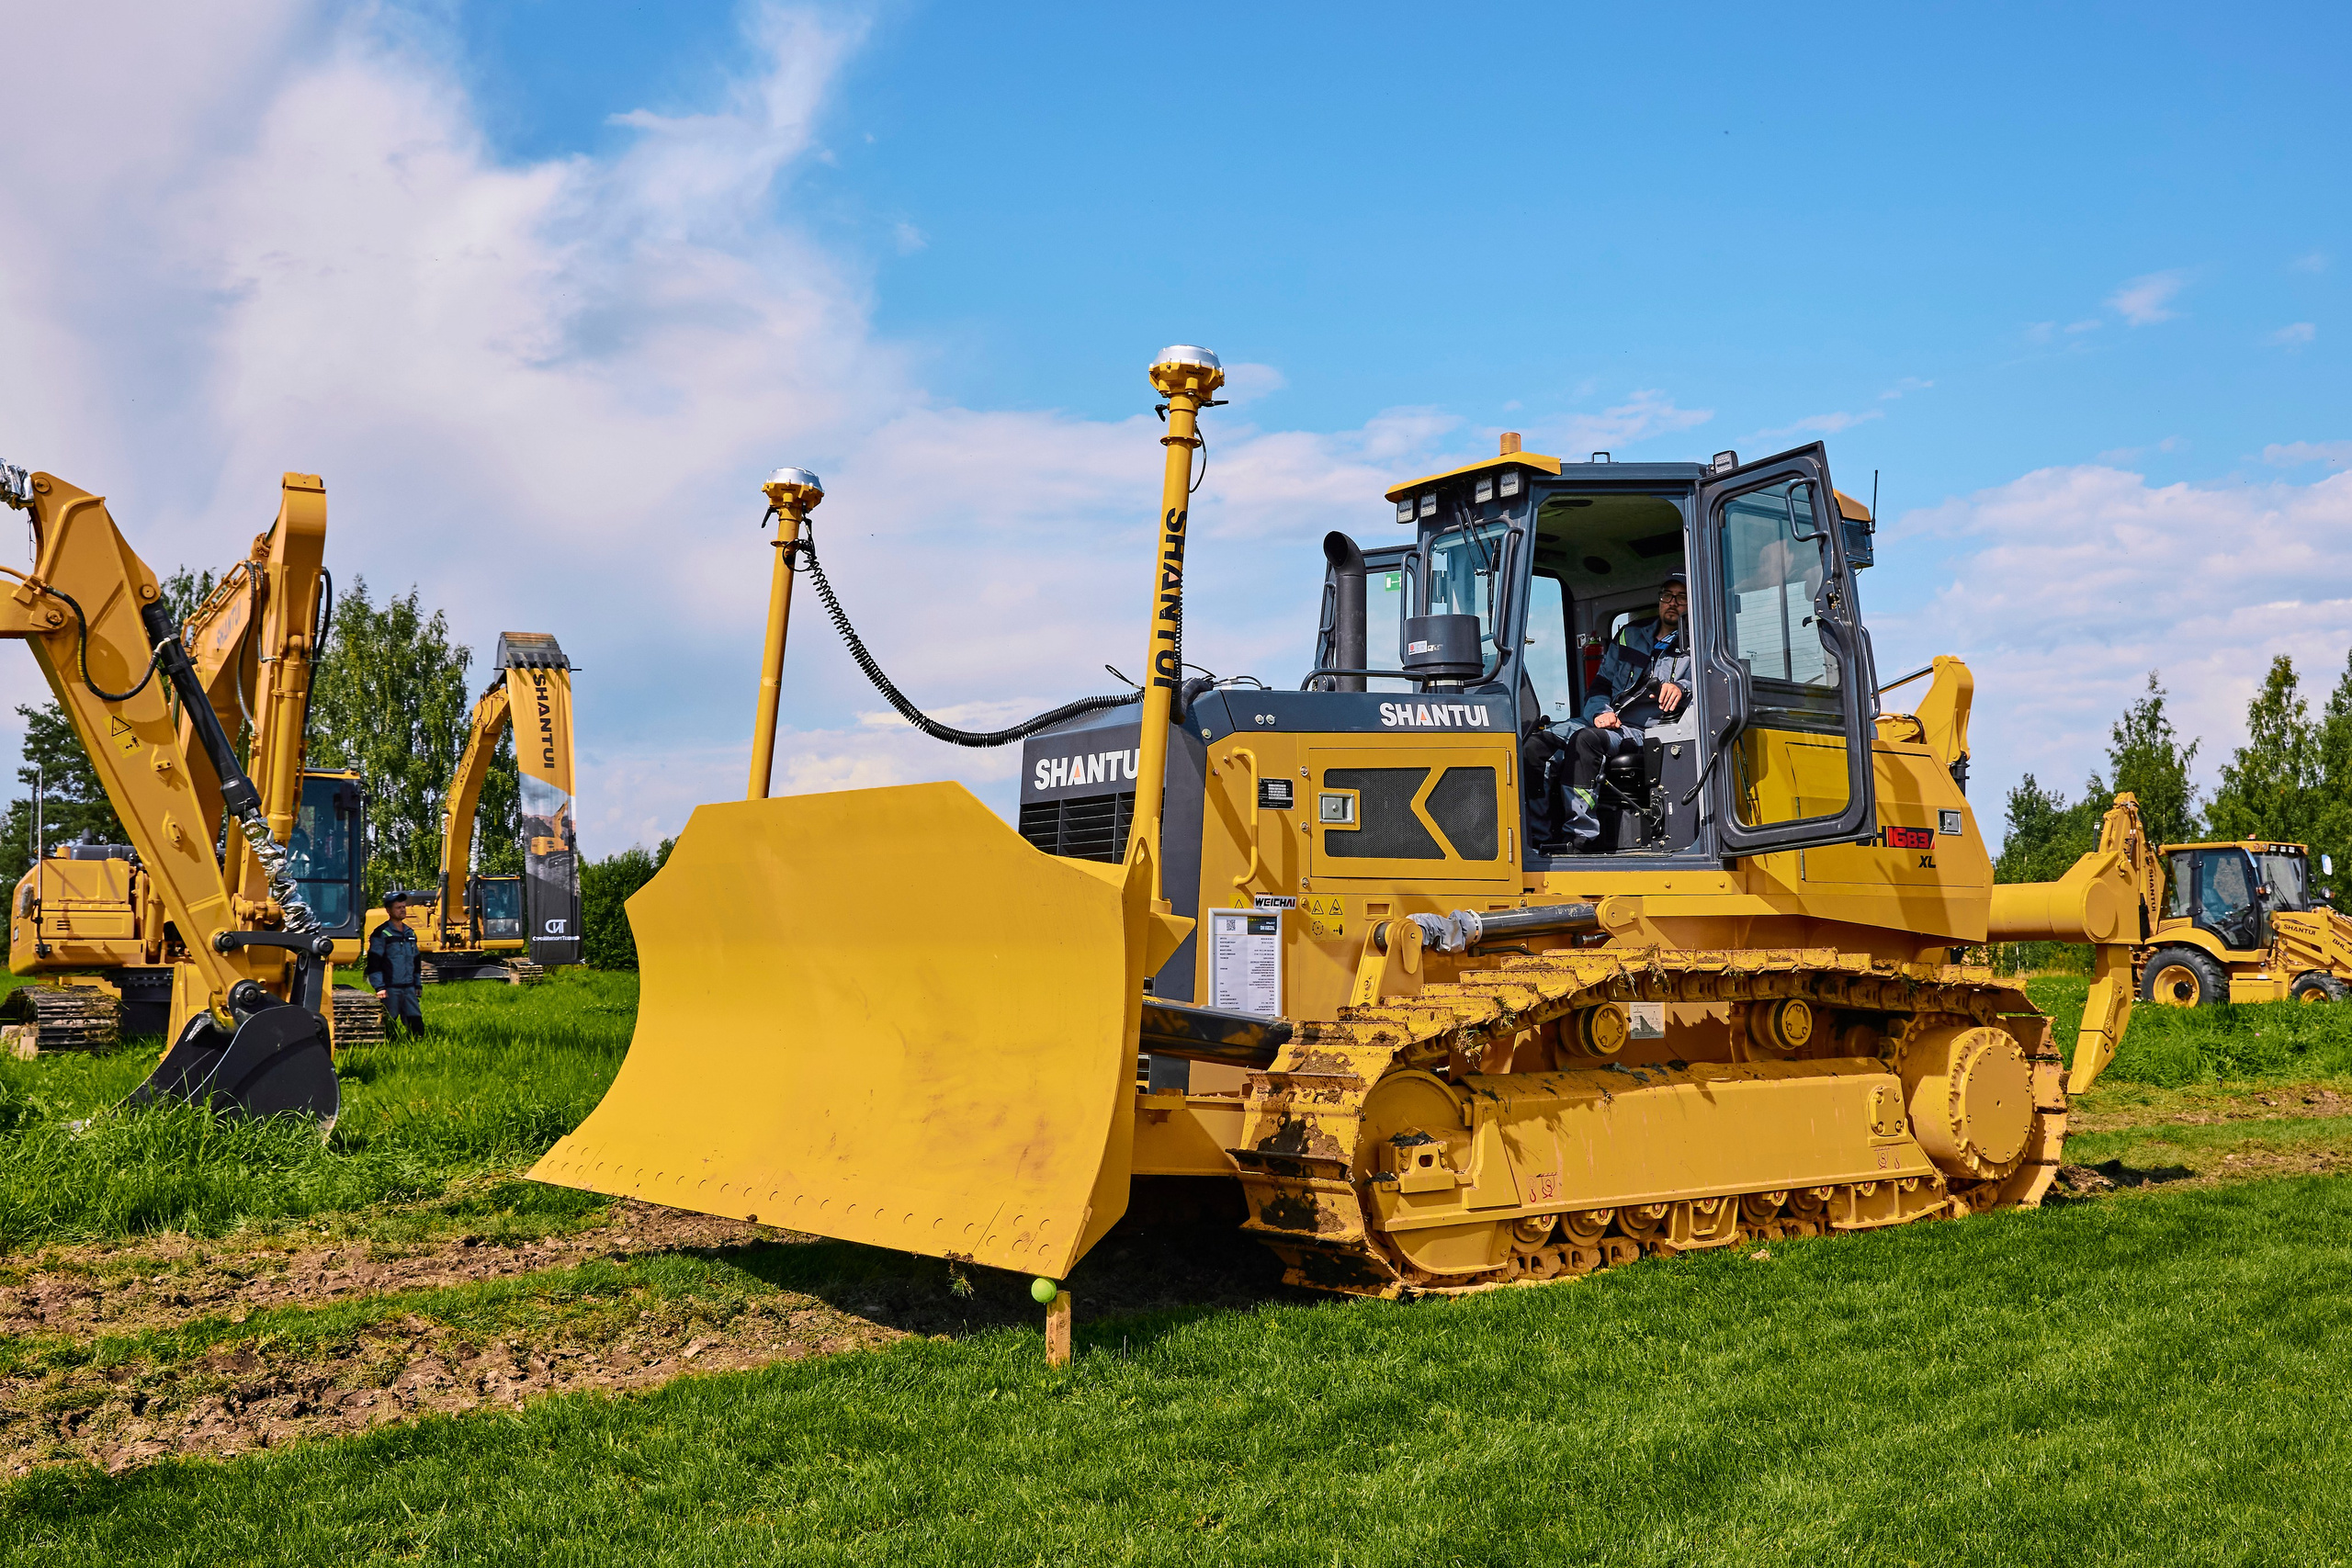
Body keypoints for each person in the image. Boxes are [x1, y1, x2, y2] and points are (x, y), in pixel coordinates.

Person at [1534, 573, 1692, 852]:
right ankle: (1538, 837)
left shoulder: (1699, 644)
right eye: (1667, 595)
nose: (1673, 602)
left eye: (1681, 598)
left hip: (1644, 730)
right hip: (1603, 718)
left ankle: (1581, 838)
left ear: (1690, 604)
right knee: (1535, 745)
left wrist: (1681, 688)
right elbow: (1601, 684)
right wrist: (1600, 712)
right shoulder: (1631, 635)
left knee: (1586, 740)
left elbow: (1708, 681)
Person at [366, 892, 425, 1039]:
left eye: (404, 907)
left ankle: (417, 1046)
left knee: (416, 1024)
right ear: (389, 910)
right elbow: (374, 962)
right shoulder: (381, 933)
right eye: (398, 907)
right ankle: (388, 1047)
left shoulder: (410, 933)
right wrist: (379, 987)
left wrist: (417, 985)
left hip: (409, 988)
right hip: (390, 989)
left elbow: (416, 961)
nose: (403, 910)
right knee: (388, 1024)